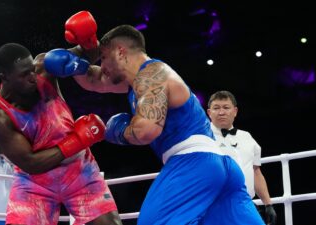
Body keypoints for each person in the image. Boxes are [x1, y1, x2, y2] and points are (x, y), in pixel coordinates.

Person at [75, 24, 264, 225]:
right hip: (221, 167)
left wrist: (119, 131)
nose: (102, 66)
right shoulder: (137, 81)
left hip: (194, 162)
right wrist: (74, 61)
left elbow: (146, 131)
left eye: (103, 57)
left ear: (120, 52)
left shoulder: (151, 76)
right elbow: (95, 80)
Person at [0, 11, 123, 225]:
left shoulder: (44, 67)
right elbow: (31, 163)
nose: (32, 78)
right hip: (35, 184)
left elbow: (90, 55)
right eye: (24, 75)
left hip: (79, 172)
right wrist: (77, 140)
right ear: (5, 77)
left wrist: (87, 40)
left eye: (31, 70)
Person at [207, 90, 277, 225]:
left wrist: (268, 204)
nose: (221, 112)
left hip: (246, 205)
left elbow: (256, 172)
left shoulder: (247, 137)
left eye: (226, 107)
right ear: (209, 113)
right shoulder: (202, 138)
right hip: (215, 205)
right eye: (216, 108)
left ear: (235, 111)